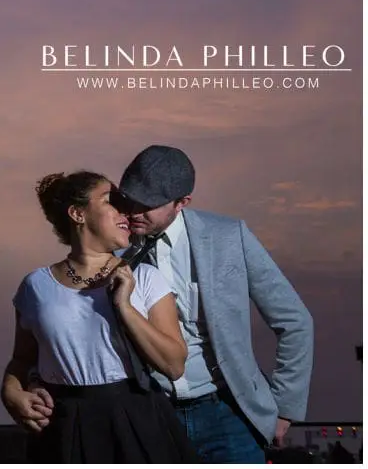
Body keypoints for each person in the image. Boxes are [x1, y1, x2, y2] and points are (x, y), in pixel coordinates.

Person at [115, 145, 315, 464]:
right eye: (130, 198)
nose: (135, 210)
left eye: (149, 202)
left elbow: (295, 321)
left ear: (182, 203)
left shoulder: (228, 236)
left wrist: (285, 407)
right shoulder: (112, 249)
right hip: (152, 417)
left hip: (228, 415)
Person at [1, 169, 200, 462]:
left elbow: (173, 365)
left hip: (136, 418)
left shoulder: (145, 277)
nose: (127, 213)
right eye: (112, 202)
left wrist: (125, 307)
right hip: (63, 423)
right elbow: (21, 361)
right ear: (78, 214)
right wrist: (10, 393)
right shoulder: (36, 286)